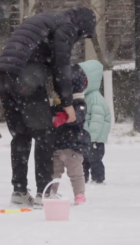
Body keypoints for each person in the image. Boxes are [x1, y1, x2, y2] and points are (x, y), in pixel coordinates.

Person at [0, 7, 96, 208]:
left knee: (21, 135)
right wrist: (68, 104)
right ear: (82, 25)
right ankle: (45, 192)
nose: (80, 39)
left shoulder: (48, 19)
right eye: (84, 35)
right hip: (26, 75)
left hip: (3, 72)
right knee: (44, 134)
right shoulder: (67, 26)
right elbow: (61, 67)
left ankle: (20, 191)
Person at [50, 65, 90, 205]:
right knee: (54, 173)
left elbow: (78, 117)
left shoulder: (78, 102)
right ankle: (51, 193)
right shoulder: (57, 102)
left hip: (72, 145)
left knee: (76, 173)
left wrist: (62, 118)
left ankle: (79, 195)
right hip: (57, 145)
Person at [79, 60, 112, 184]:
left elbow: (97, 121)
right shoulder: (86, 96)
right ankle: (83, 178)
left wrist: (91, 138)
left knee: (95, 159)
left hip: (95, 140)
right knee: (83, 160)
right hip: (87, 138)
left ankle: (98, 179)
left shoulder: (96, 99)